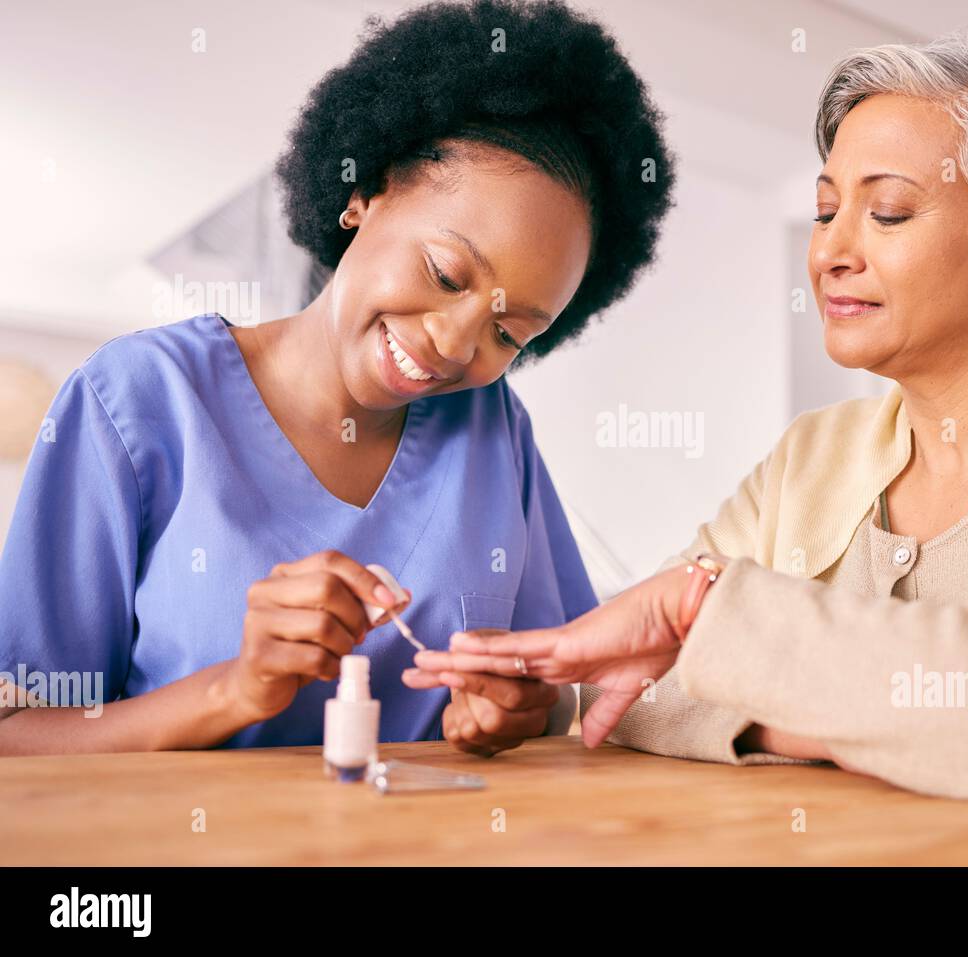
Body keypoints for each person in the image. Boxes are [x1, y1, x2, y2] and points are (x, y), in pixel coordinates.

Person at [408, 27, 968, 805]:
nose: (829, 249)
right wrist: (887, 728)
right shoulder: (814, 458)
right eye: (827, 209)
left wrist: (724, 640)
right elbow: (634, 691)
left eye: (888, 211)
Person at [0, 0, 674, 757]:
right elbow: (15, 736)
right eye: (447, 272)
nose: (455, 346)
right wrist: (235, 689)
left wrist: (522, 707)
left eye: (508, 331)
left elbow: (566, 684)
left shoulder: (496, 431)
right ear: (366, 192)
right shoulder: (134, 400)